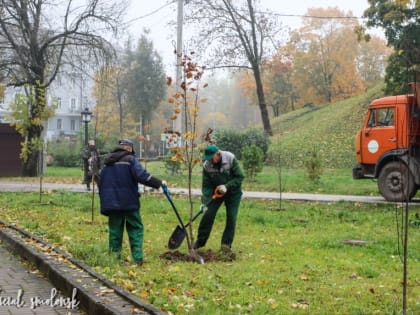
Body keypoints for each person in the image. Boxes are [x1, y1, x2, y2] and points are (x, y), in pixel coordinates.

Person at [99, 139, 167, 266]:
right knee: (135, 228)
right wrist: (158, 183)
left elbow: (100, 183)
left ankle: (114, 258)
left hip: (112, 203)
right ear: (129, 149)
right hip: (129, 202)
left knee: (115, 231)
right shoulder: (130, 160)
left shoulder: (107, 163)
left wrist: (106, 202)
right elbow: (142, 176)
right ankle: (138, 258)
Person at [193, 144, 244, 259]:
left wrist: (227, 186)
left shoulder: (230, 158)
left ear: (218, 153)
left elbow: (240, 177)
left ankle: (226, 245)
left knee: (231, 217)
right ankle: (200, 241)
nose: (211, 160)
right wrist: (204, 202)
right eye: (208, 158)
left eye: (212, 157)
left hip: (233, 193)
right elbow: (206, 186)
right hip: (217, 192)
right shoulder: (207, 165)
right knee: (208, 214)